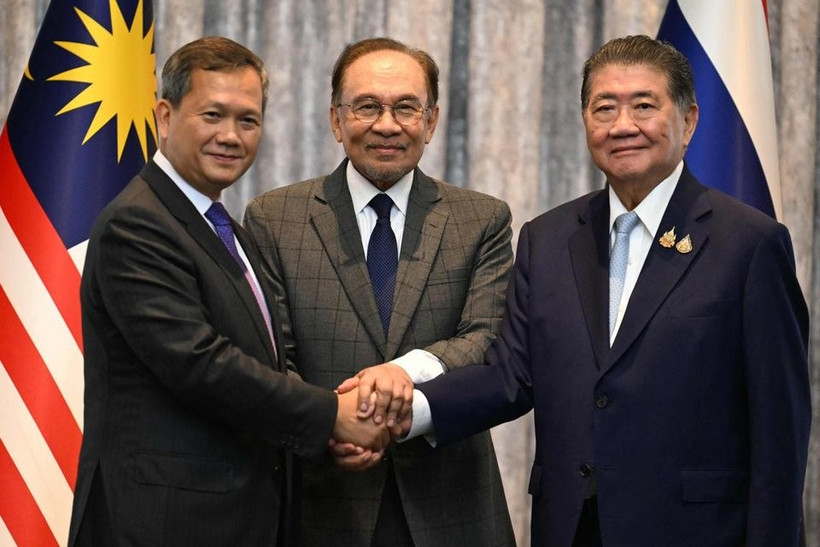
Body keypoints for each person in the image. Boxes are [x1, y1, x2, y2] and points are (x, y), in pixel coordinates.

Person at [404, 35, 811, 545]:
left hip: (696, 532)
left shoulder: (749, 244)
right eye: (604, 108)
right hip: (572, 528)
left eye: (644, 105)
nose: (623, 126)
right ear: (585, 122)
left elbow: (780, 431)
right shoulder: (547, 238)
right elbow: (509, 377)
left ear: (687, 121)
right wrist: (407, 409)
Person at [68, 36, 387, 547]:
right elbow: (202, 365)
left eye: (248, 120)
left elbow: (261, 360)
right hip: (162, 522)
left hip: (232, 516)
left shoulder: (228, 229)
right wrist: (332, 416)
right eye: (212, 115)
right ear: (165, 117)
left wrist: (325, 435)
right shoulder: (139, 223)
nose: (231, 136)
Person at [244, 37, 516, 546]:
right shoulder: (273, 218)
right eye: (367, 106)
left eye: (406, 108)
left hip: (451, 503)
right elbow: (271, 354)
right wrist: (329, 425)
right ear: (336, 120)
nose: (386, 124)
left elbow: (486, 338)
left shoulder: (482, 219)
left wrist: (402, 373)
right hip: (322, 501)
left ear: (431, 122)